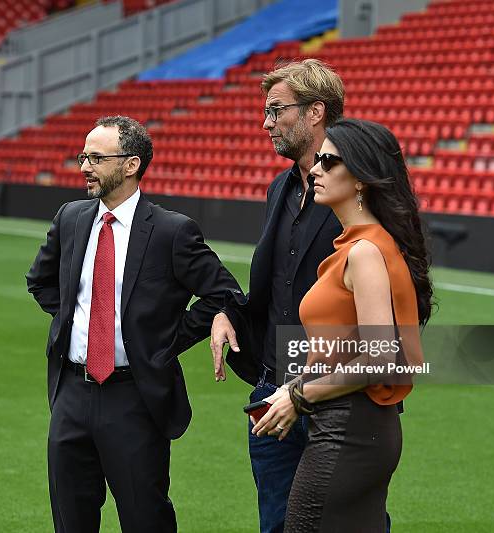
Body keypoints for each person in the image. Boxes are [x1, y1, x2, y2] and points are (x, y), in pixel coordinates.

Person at [26, 115, 242, 533]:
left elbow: (225, 292)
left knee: (146, 520)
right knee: (70, 521)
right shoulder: (71, 217)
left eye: (96, 158)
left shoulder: (171, 230)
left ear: (131, 164)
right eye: (83, 156)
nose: (84, 167)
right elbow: (40, 280)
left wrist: (166, 340)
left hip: (135, 398)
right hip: (71, 392)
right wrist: (78, 320)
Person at [251, 118, 433, 532]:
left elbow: (383, 358)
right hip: (354, 426)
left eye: (328, 162)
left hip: (349, 429)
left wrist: (299, 395)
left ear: (361, 179)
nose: (314, 169)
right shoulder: (361, 245)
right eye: (318, 160)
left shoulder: (365, 251)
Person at [210, 59, 345, 533]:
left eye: (276, 110)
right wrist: (230, 311)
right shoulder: (279, 188)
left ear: (316, 112)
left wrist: (313, 386)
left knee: (350, 523)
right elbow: (278, 283)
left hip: (336, 393)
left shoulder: (362, 188)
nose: (266, 123)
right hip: (271, 387)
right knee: (277, 524)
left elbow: (397, 301)